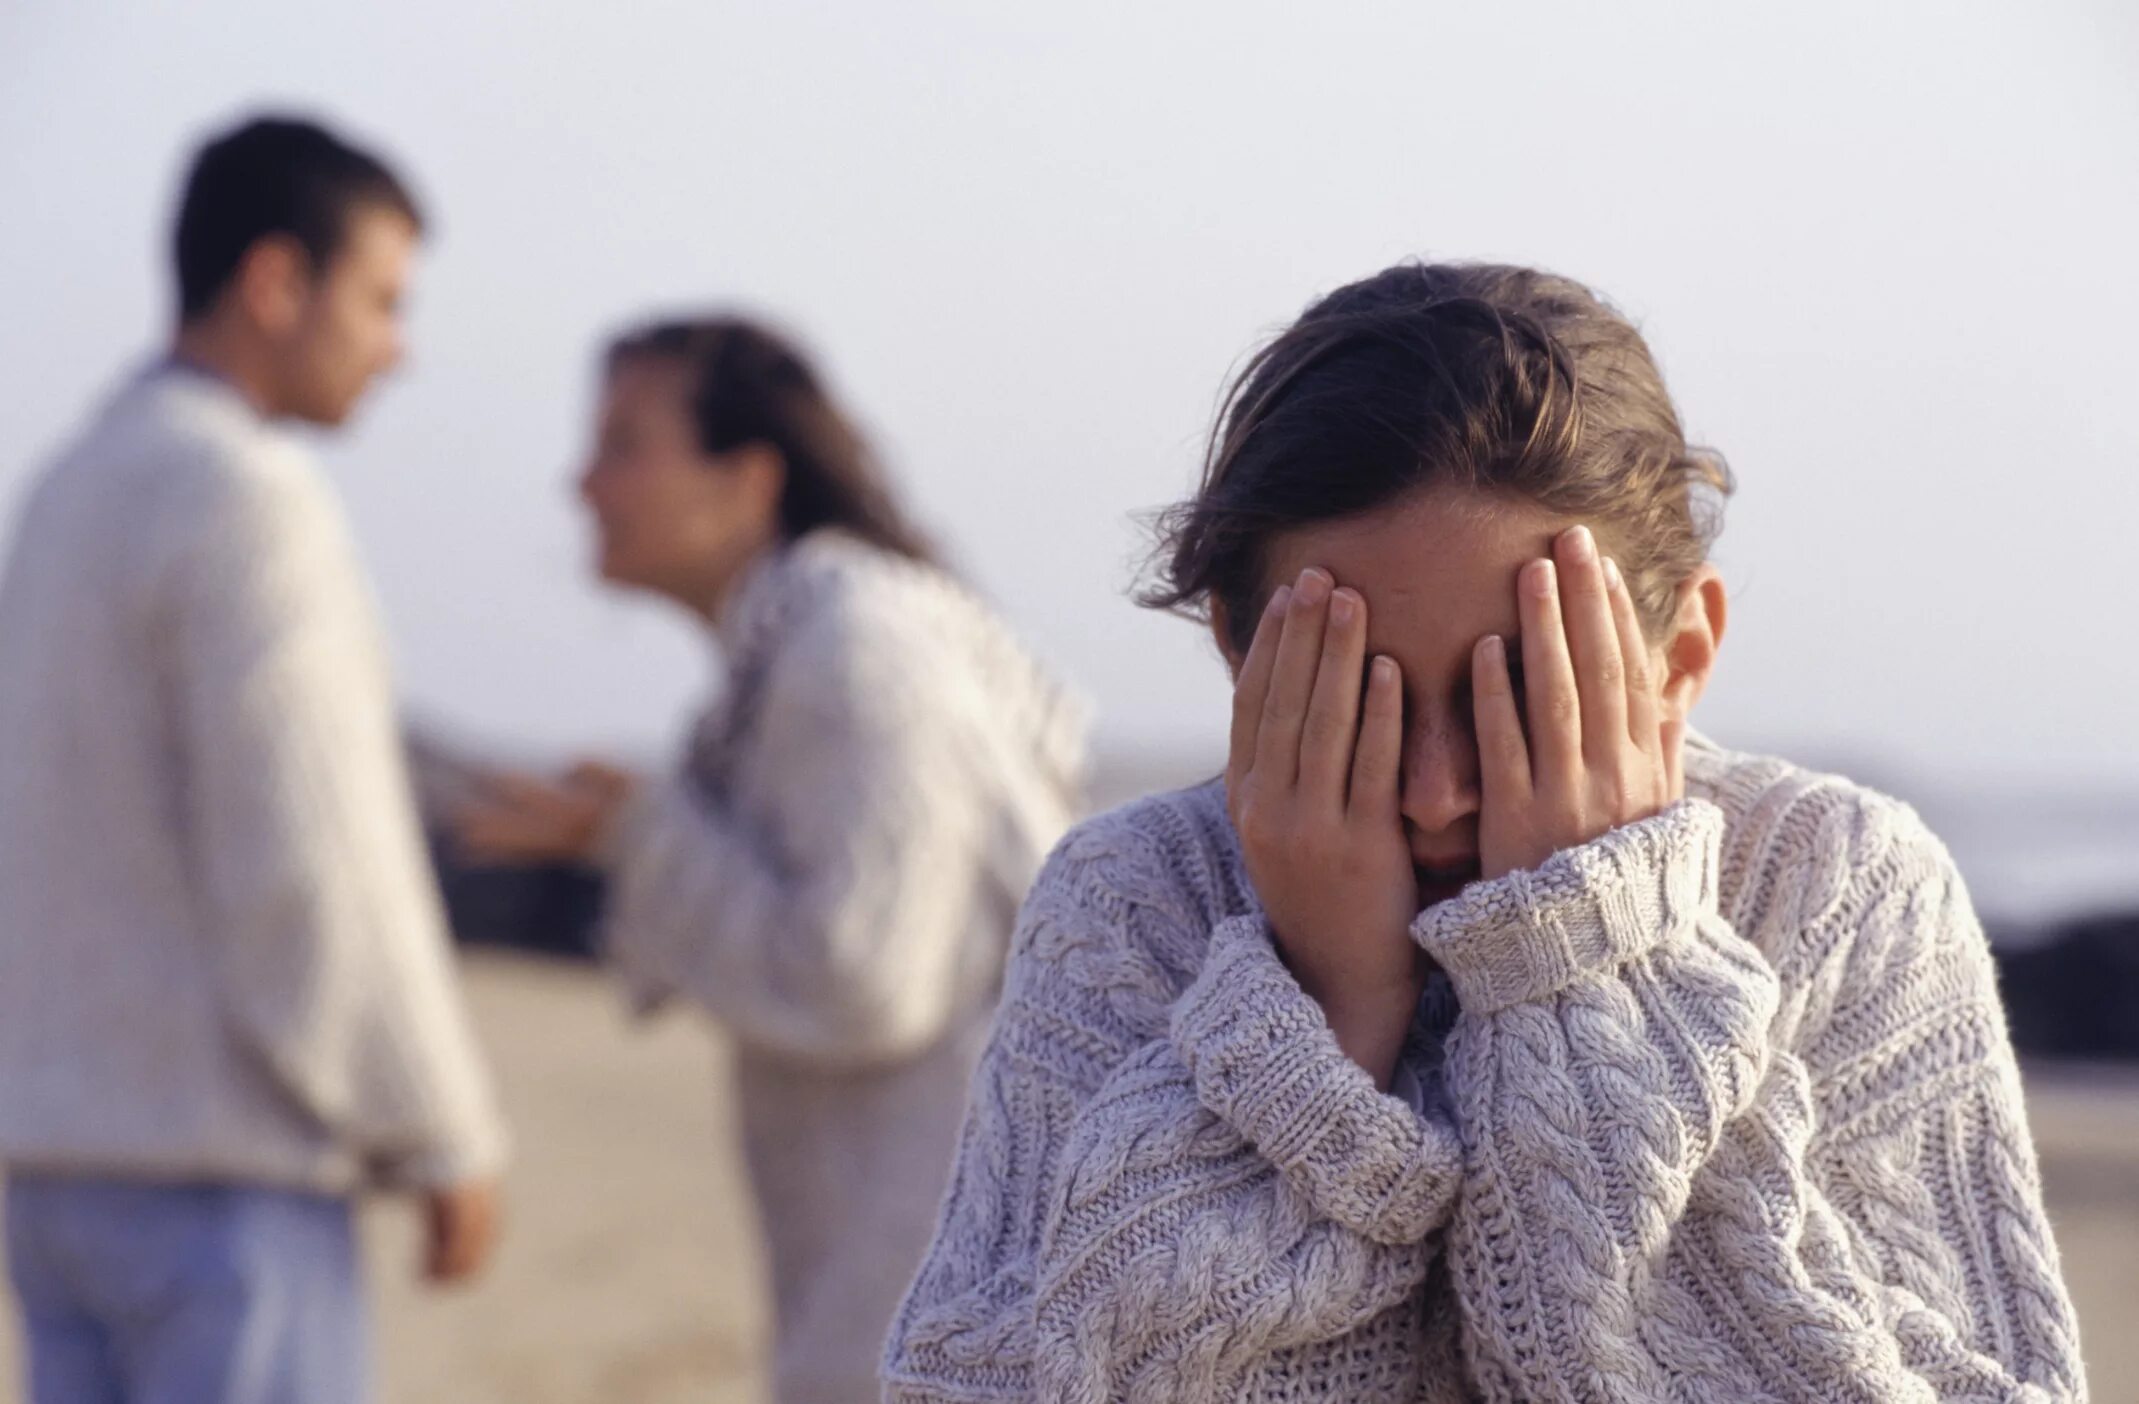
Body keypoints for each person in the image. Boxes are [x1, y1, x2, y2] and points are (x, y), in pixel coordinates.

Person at [882, 262, 2087, 1402]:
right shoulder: (1137, 898)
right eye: (1370, 698)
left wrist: (1593, 969)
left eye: (1519, 693)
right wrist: (1320, 1020)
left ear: (1683, 656)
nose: (1444, 790)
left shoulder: (1836, 887)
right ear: (1240, 651)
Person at [454, 315, 1086, 1403]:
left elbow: (862, 978)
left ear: (749, 479)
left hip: (944, 1285)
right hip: (924, 1266)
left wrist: (643, 835)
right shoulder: (801, 646)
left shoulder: (856, 646)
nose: (583, 485)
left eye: (623, 445)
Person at [0, 115, 508, 1404]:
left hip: (55, 1171)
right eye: (383, 300)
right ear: (277, 281)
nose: (399, 349)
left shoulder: (66, 489)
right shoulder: (247, 496)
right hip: (220, 1196)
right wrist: (440, 1127)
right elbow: (314, 863)